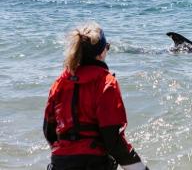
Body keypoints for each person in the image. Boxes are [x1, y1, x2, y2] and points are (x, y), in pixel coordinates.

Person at [43, 22, 149, 170]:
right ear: (100, 53)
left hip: (60, 162)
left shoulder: (59, 83)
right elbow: (113, 141)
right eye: (107, 47)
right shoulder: (106, 83)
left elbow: (49, 132)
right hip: (94, 163)